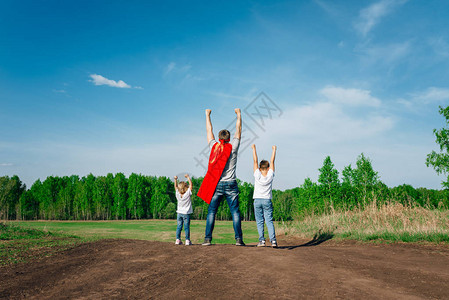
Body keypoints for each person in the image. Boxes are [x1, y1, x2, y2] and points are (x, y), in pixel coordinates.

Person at [198, 108, 245, 246]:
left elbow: (208, 131)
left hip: (216, 184)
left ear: (219, 138)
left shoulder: (214, 147)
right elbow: (239, 129)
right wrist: (238, 115)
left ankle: (207, 239)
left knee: (212, 212)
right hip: (231, 183)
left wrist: (207, 115)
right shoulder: (234, 146)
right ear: (229, 138)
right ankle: (238, 239)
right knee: (235, 212)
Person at [251, 144, 278, 247]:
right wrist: (274, 150)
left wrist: (254, 148)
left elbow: (255, 161)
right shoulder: (270, 175)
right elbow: (272, 162)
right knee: (269, 220)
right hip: (267, 200)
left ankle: (262, 241)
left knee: (259, 221)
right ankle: (273, 241)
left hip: (257, 200)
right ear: (268, 168)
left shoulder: (257, 174)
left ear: (259, 168)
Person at [174, 174, 193, 245]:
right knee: (186, 227)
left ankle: (177, 239)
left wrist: (175, 179)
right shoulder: (187, 193)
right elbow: (191, 185)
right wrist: (188, 177)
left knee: (179, 227)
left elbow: (175, 186)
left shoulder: (177, 194)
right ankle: (187, 240)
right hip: (186, 213)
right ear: (186, 188)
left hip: (179, 213)